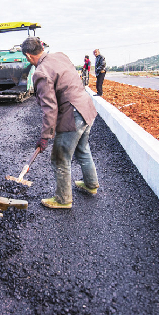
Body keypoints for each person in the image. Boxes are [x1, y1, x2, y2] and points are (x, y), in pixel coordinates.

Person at [21, 37, 100, 209]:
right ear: (41, 48)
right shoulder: (60, 56)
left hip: (72, 114)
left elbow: (50, 108)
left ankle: (63, 199)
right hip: (86, 107)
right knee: (82, 149)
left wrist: (45, 136)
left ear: (28, 56)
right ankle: (91, 184)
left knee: (60, 157)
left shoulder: (40, 72)